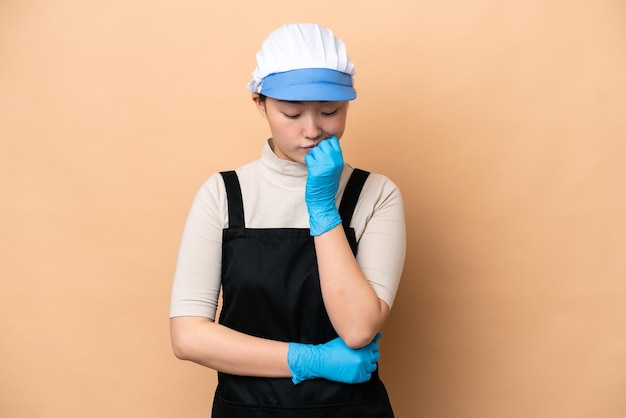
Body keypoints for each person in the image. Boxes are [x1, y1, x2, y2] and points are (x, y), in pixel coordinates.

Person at [169, 23, 406, 417]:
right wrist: (310, 360)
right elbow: (188, 337)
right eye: (291, 113)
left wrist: (323, 208)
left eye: (330, 112)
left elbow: (358, 327)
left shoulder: (375, 194)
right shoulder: (224, 194)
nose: (312, 130)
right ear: (259, 102)